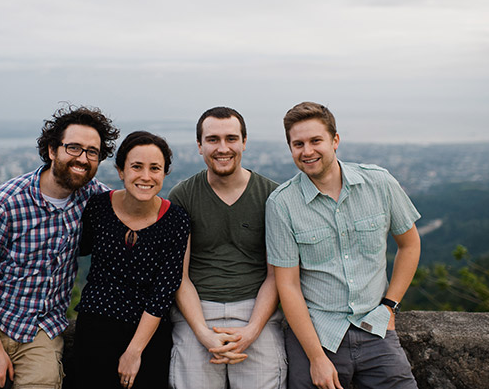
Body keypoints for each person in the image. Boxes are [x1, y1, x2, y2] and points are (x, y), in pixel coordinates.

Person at [0, 104, 120, 389]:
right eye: (73, 148)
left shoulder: (96, 199)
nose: (82, 159)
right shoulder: (5, 202)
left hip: (42, 326)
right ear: (51, 150)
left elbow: (135, 208)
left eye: (92, 152)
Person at [265, 101, 421, 389]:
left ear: (335, 140)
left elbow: (410, 244)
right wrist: (316, 358)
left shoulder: (379, 183)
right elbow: (287, 285)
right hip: (317, 336)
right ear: (290, 149)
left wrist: (389, 306)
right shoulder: (282, 204)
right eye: (298, 144)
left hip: (374, 327)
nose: (307, 151)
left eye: (315, 141)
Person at [168, 106, 287, 389]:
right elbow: (179, 276)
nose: (223, 148)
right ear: (200, 146)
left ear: (244, 142)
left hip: (256, 310)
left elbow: (275, 275)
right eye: (213, 140)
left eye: (231, 138)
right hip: (197, 310)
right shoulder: (183, 195)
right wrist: (202, 332)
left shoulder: (272, 196)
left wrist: (252, 330)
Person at [72, 131, 190, 389]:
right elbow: (77, 249)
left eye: (155, 168)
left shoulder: (176, 221)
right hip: (95, 326)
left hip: (148, 333)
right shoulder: (98, 208)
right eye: (136, 166)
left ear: (164, 174)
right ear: (120, 171)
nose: (145, 176)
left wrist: (134, 351)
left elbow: (164, 290)